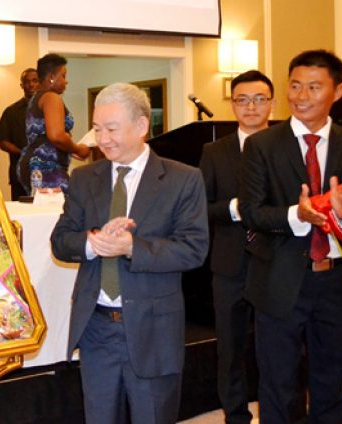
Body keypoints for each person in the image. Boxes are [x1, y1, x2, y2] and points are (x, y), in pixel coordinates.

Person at [50, 82, 208, 424]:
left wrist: (132, 248)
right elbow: (61, 240)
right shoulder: (84, 178)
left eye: (111, 129)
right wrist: (93, 243)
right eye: (96, 128)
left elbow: (193, 249)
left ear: (140, 126)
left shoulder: (183, 179)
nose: (102, 138)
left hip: (154, 330)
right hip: (97, 328)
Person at [239, 49, 342, 423]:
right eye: (295, 86)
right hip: (278, 283)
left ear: (336, 92)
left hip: (333, 282)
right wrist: (297, 216)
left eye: (314, 87)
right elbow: (253, 212)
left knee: (330, 383)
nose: (301, 96)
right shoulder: (262, 146)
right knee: (278, 386)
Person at [198, 70, 274, 424]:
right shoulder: (214, 152)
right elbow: (201, 208)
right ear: (232, 104)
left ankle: (278, 413)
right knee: (230, 349)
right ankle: (236, 416)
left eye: (259, 99)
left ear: (272, 103)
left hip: (276, 265)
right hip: (229, 265)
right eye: (242, 99)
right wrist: (233, 208)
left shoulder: (287, 147)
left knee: (278, 348)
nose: (251, 106)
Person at [18, 53, 90, 193]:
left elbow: (44, 137)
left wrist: (69, 150)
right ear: (51, 77)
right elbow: (56, 136)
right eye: (63, 76)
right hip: (46, 166)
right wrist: (77, 149)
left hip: (34, 163)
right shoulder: (51, 97)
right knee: (57, 211)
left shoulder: (36, 98)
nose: (66, 81)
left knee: (44, 212)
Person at [0, 68, 39, 200]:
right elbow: (3, 142)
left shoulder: (49, 109)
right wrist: (23, 152)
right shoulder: (11, 111)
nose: (31, 85)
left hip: (47, 173)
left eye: (35, 81)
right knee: (21, 213)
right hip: (20, 173)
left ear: (40, 82)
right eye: (27, 82)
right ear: (22, 85)